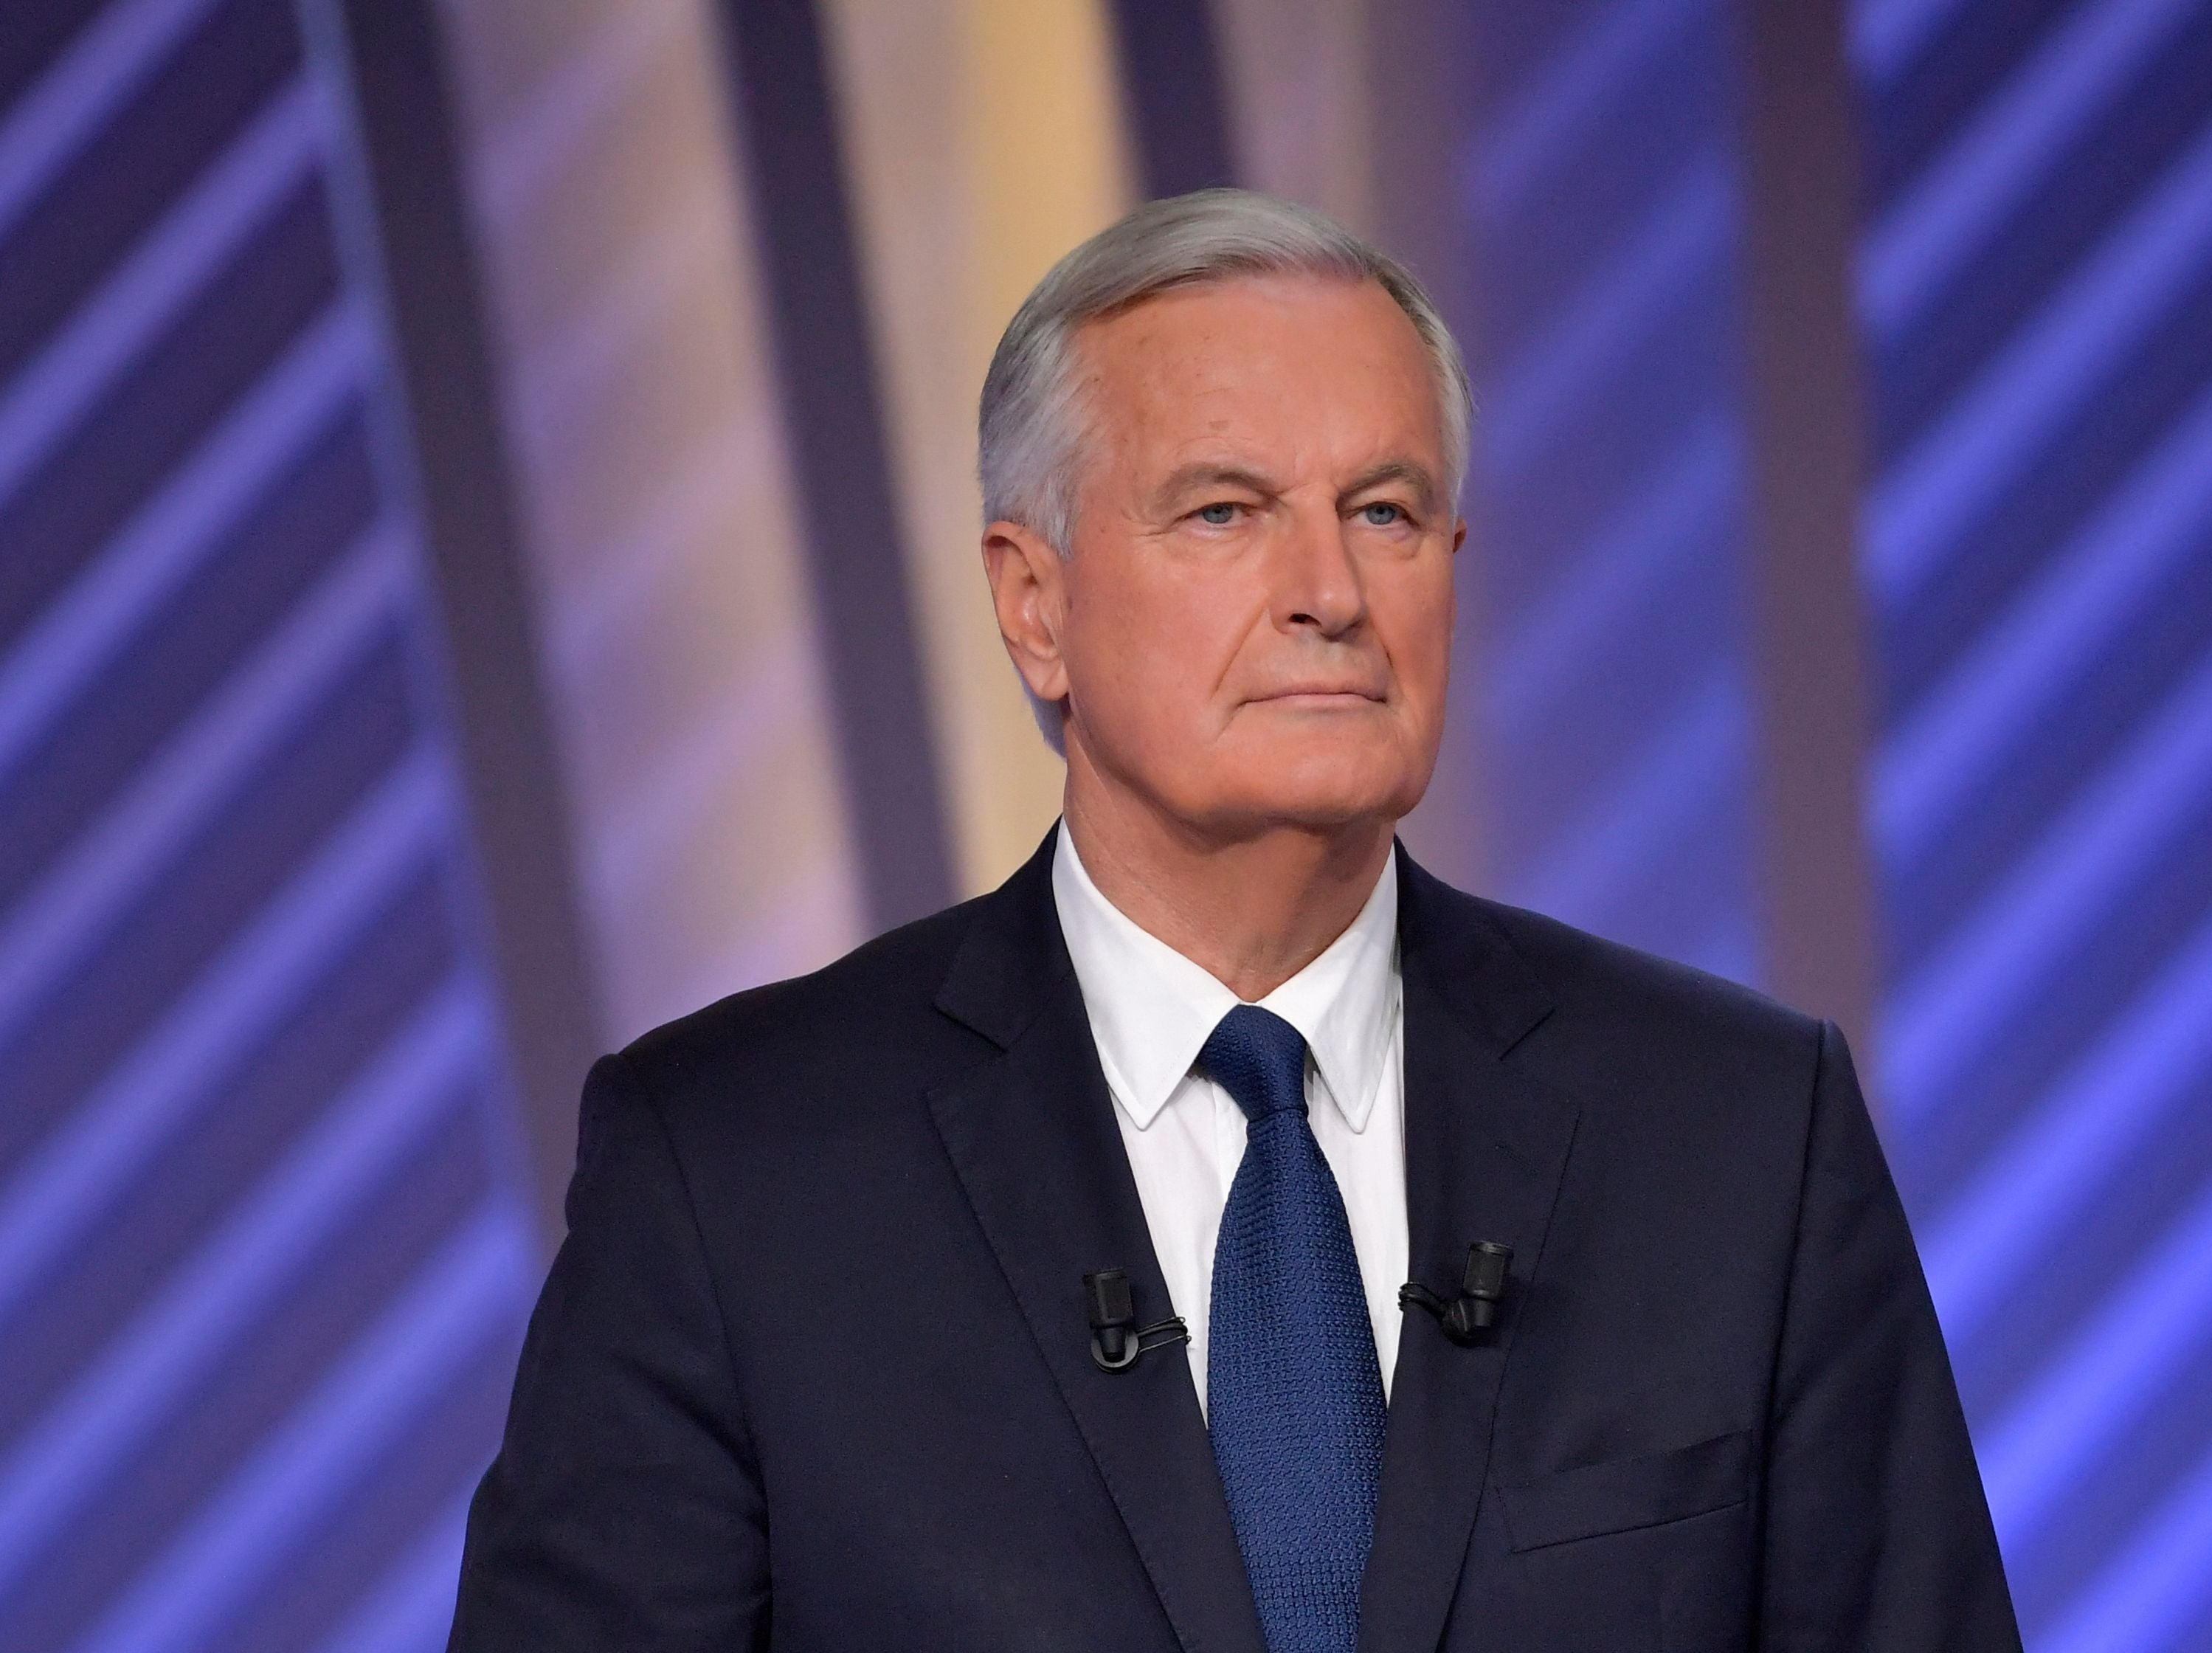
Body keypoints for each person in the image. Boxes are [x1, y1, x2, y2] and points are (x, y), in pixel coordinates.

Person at [448, 188, 2020, 1652]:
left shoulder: (1737, 1137)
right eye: (1224, 511)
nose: (1331, 587)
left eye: (1388, 511)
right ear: (1034, 603)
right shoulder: (731, 1175)